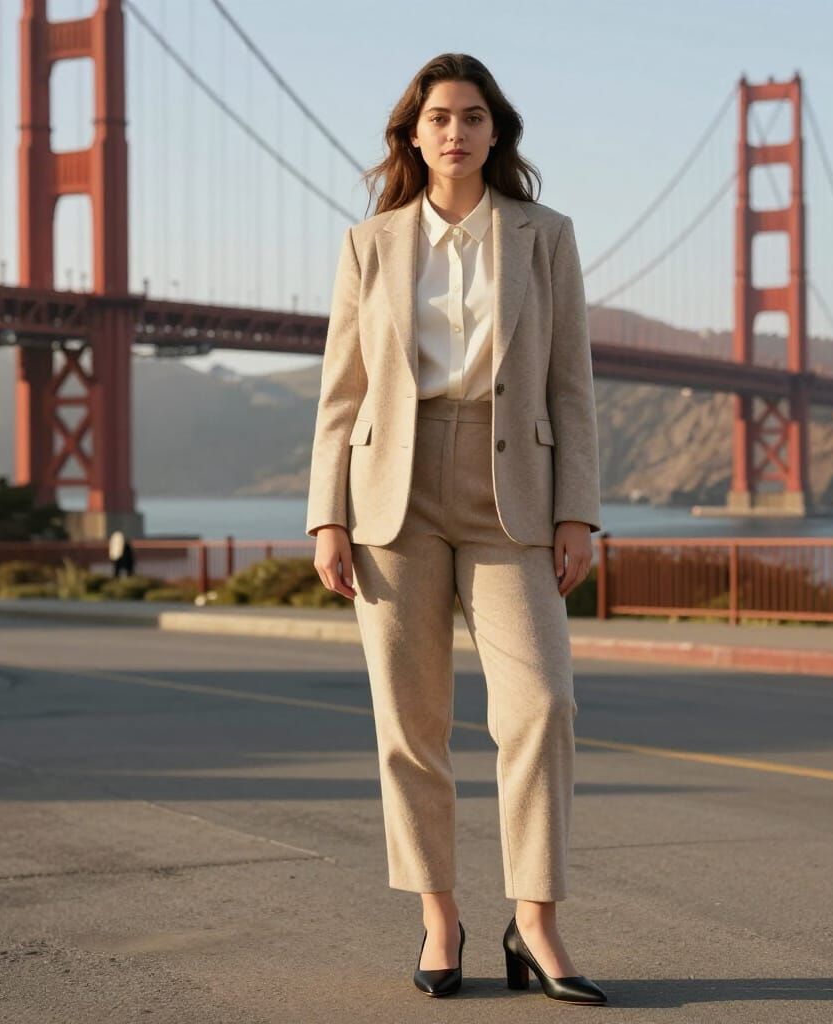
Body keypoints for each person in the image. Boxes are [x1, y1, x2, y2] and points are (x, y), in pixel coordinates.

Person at [305, 52, 606, 1004]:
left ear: (495, 133)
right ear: (413, 134)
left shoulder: (545, 237)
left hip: (510, 486)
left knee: (543, 707)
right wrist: (328, 516)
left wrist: (577, 510)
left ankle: (537, 924)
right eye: (439, 117)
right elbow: (341, 394)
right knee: (411, 723)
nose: (456, 133)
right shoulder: (370, 244)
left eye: (474, 117)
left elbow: (572, 384)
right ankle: (441, 918)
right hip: (391, 491)